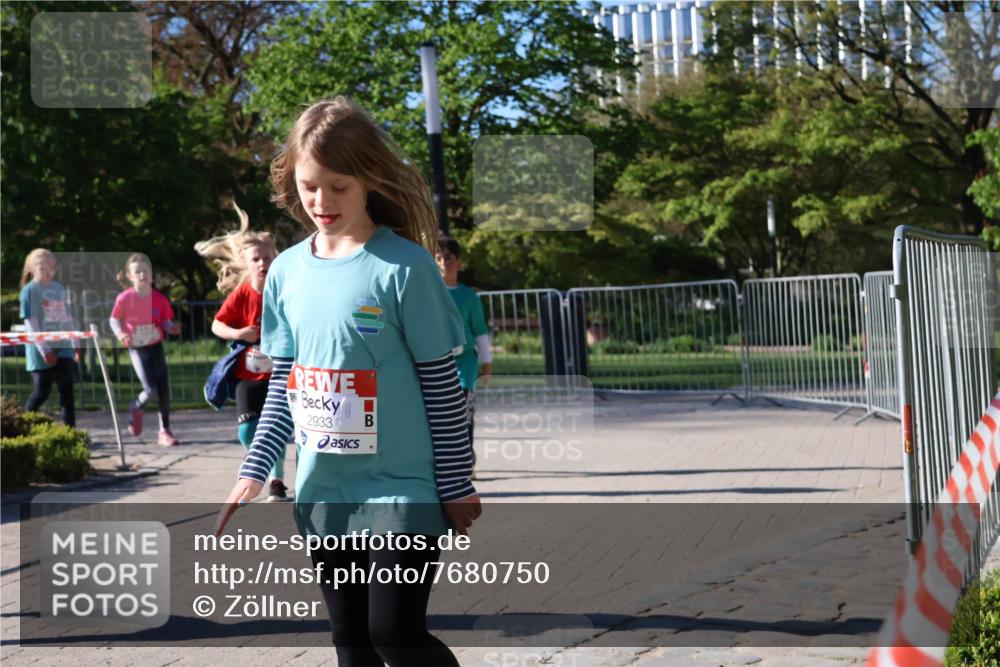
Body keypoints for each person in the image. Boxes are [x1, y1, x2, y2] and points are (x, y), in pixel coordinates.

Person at [216, 97, 480, 666]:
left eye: (338, 186)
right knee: (351, 642)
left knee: (394, 634)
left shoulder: (405, 266)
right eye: (310, 186)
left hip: (401, 489)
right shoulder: (285, 270)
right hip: (324, 494)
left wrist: (456, 482)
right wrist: (254, 468)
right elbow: (287, 380)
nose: (321, 202)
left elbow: (441, 386)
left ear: (368, 179)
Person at [197, 202, 291, 502]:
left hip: (281, 372)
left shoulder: (285, 287)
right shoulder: (242, 293)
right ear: (246, 263)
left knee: (281, 427)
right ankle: (261, 467)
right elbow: (217, 325)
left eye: (267, 257)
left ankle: (277, 480)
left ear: (274, 258)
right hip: (248, 374)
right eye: (256, 259)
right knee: (247, 432)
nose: (262, 263)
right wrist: (239, 333)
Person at [109, 253, 182, 447]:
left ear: (151, 275)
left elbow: (165, 321)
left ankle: (164, 431)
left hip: (155, 347)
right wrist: (120, 333)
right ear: (130, 276)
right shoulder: (125, 298)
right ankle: (136, 406)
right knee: (150, 389)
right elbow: (114, 319)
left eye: (145, 271)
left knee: (164, 390)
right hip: (137, 348)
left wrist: (171, 328)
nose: (142, 275)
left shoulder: (159, 299)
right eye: (137, 272)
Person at [435, 237, 492, 476]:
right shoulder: (428, 293)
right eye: (438, 258)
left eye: (448, 258)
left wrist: (487, 363)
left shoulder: (469, 296)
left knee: (464, 416)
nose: (443, 263)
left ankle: (467, 461)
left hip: (464, 367)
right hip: (436, 365)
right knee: (439, 419)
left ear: (458, 262)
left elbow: (479, 330)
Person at [19, 249, 79, 426]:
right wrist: (45, 350)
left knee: (67, 393)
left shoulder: (58, 288)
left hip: (63, 349)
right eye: (43, 268)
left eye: (51, 268)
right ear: (32, 268)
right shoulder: (29, 291)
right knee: (41, 392)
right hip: (41, 353)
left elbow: (66, 317)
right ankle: (22, 425)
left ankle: (71, 431)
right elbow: (31, 323)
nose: (48, 273)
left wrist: (75, 343)